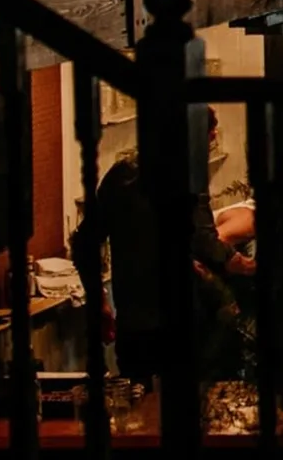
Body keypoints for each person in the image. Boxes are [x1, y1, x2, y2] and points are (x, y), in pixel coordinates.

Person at [89, 150, 252, 383]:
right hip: (186, 325)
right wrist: (250, 265)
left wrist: (100, 300)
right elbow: (206, 244)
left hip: (135, 325)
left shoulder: (120, 175)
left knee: (141, 403)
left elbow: (85, 242)